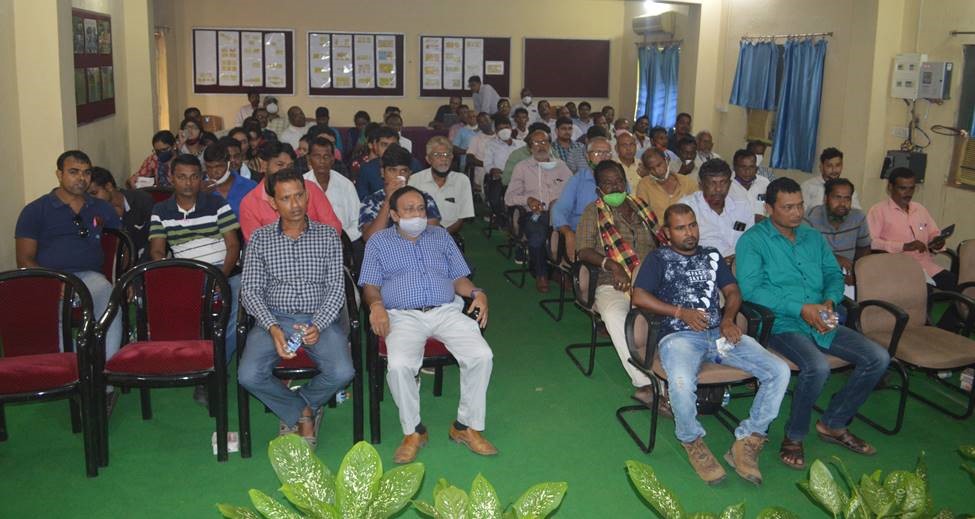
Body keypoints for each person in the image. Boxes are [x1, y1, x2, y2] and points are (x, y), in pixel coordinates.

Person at [737, 177, 890, 470]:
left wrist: (830, 302)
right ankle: (794, 436)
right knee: (817, 367)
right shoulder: (753, 241)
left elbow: (834, 275)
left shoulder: (812, 237)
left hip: (822, 317)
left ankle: (833, 422)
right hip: (779, 325)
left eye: (800, 206)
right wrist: (801, 308)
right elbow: (752, 291)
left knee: (878, 357)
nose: (796, 213)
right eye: (788, 207)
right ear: (769, 208)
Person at [632, 203, 790, 485]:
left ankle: (748, 440)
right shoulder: (659, 258)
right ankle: (692, 441)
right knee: (680, 382)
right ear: (667, 232)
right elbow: (639, 297)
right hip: (679, 336)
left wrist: (728, 319)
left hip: (719, 335)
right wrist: (681, 312)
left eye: (692, 225)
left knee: (779, 370)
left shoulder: (712, 256)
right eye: (680, 228)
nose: (689, 232)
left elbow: (732, 291)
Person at [359, 186, 495, 463]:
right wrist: (376, 306)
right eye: (409, 210)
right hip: (402, 315)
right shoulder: (378, 242)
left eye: (421, 208)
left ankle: (465, 427)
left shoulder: (441, 236)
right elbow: (370, 285)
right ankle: (414, 432)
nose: (417, 214)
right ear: (394, 215)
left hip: (446, 310)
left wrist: (476, 292)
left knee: (482, 356)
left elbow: (459, 278)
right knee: (398, 366)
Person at [238, 168, 353, 449]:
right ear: (273, 203)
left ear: (307, 194)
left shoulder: (327, 236)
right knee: (247, 375)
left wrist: (319, 324)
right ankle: (301, 412)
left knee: (343, 372)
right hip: (275, 318)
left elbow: (336, 288)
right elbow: (250, 291)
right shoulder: (261, 240)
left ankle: (303, 406)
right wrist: (272, 328)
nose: (296, 205)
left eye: (300, 195)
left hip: (318, 319)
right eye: (286, 198)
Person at [15, 151, 123, 369]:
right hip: (49, 281)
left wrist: (121, 277)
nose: (81, 178)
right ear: (59, 174)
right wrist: (52, 282)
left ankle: (105, 375)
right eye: (74, 172)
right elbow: (24, 259)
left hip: (91, 278)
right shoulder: (35, 211)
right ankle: (79, 370)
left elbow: (120, 246)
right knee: (51, 317)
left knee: (112, 303)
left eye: (86, 173)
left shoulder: (101, 208)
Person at [575, 161, 662, 404]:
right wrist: (613, 265)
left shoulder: (642, 207)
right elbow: (582, 250)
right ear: (598, 188)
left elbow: (661, 242)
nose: (614, 187)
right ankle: (644, 383)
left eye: (618, 181)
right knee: (616, 316)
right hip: (611, 281)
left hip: (648, 279)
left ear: (625, 181)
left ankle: (672, 374)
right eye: (607, 183)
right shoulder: (594, 211)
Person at [148, 154, 241, 371]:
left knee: (244, 298)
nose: (188, 183)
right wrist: (172, 275)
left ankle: (215, 363)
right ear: (171, 178)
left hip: (223, 270)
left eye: (193, 177)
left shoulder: (217, 203)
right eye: (182, 177)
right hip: (186, 274)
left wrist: (221, 277)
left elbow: (233, 246)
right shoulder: (160, 210)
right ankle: (196, 360)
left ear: (201, 178)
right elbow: (157, 250)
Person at [867, 167, 960, 329]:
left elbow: (934, 233)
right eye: (902, 188)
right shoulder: (878, 211)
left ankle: (945, 328)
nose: (907, 193)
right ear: (890, 187)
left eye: (911, 188)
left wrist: (938, 243)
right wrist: (904, 246)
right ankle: (920, 331)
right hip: (899, 267)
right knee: (925, 292)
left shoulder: (920, 209)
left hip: (926, 266)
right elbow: (871, 242)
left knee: (958, 286)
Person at [504, 129, 573, 292]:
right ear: (530, 147)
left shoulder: (561, 166)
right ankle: (542, 274)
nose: (541, 146)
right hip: (535, 213)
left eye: (545, 142)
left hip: (559, 213)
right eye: (536, 143)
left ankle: (564, 273)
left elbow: (572, 191)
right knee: (537, 237)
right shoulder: (522, 167)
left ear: (550, 145)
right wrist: (528, 200)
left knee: (575, 232)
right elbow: (509, 197)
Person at [238, 141, 341, 241]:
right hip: (276, 257)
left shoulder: (310, 188)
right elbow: (257, 245)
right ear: (264, 165)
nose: (285, 170)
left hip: (315, 253)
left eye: (290, 166)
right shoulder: (249, 204)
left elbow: (333, 227)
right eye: (280, 164)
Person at [360, 144, 441, 242]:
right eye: (392, 170)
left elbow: (433, 236)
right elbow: (370, 239)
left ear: (409, 174)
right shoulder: (371, 202)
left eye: (403, 171)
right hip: (384, 253)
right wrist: (388, 200)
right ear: (382, 172)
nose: (398, 176)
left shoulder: (424, 198)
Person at [804, 178, 871, 296]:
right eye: (837, 197)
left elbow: (864, 249)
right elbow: (806, 254)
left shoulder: (858, 218)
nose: (842, 203)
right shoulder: (810, 218)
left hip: (848, 278)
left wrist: (856, 272)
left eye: (847, 198)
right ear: (825, 198)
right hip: (818, 277)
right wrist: (835, 259)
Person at [679, 159, 754, 263]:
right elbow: (681, 249)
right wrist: (718, 262)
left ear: (730, 183)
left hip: (741, 265)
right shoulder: (687, 208)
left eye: (723, 183)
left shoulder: (742, 206)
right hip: (703, 267)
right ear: (701, 185)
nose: (718, 189)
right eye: (712, 183)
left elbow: (751, 241)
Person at [551, 137, 615, 256]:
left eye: (607, 153)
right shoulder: (578, 179)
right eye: (597, 153)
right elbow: (559, 209)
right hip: (583, 231)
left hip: (612, 230)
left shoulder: (618, 179)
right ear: (587, 156)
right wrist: (567, 232)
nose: (603, 157)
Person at [302, 137, 362, 258]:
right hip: (307, 246)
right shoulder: (300, 184)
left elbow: (357, 221)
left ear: (333, 159)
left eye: (326, 156)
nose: (322, 161)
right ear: (309, 159)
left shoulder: (346, 185)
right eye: (317, 156)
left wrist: (342, 240)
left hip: (343, 243)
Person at [410, 136, 475, 235]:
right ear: (428, 159)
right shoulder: (415, 180)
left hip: (449, 235)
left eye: (446, 154)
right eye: (437, 155)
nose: (443, 159)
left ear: (452, 157)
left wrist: (441, 236)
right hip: (419, 234)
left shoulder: (462, 181)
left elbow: (462, 218)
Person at [87, 166, 154, 257]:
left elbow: (154, 240)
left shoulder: (142, 200)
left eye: (94, 193)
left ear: (109, 187)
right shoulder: (93, 212)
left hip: (144, 262)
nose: (91, 200)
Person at [483, 116, 525, 223]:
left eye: (506, 127)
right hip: (501, 177)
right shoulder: (490, 145)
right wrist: (493, 170)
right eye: (501, 129)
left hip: (521, 178)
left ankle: (518, 218)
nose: (504, 131)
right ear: (496, 131)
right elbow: (487, 164)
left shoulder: (521, 144)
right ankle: (501, 217)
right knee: (495, 196)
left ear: (511, 128)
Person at [636, 148, 699, 216]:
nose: (657, 171)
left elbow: (699, 209)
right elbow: (644, 215)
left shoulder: (687, 182)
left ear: (667, 160)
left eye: (659, 165)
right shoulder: (644, 185)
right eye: (652, 169)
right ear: (647, 170)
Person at [202, 142, 258, 218]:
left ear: (228, 164)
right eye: (209, 167)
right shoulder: (198, 189)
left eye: (219, 166)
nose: (214, 172)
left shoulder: (250, 187)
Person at [802, 148, 861, 212]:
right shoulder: (807, 186)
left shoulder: (847, 188)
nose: (834, 170)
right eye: (829, 166)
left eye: (838, 165)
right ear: (821, 166)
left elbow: (856, 212)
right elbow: (801, 213)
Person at [728, 148, 770, 220]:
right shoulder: (726, 185)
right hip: (733, 229)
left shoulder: (764, 183)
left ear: (756, 168)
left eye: (751, 167)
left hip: (760, 228)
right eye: (743, 167)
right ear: (735, 167)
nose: (747, 171)